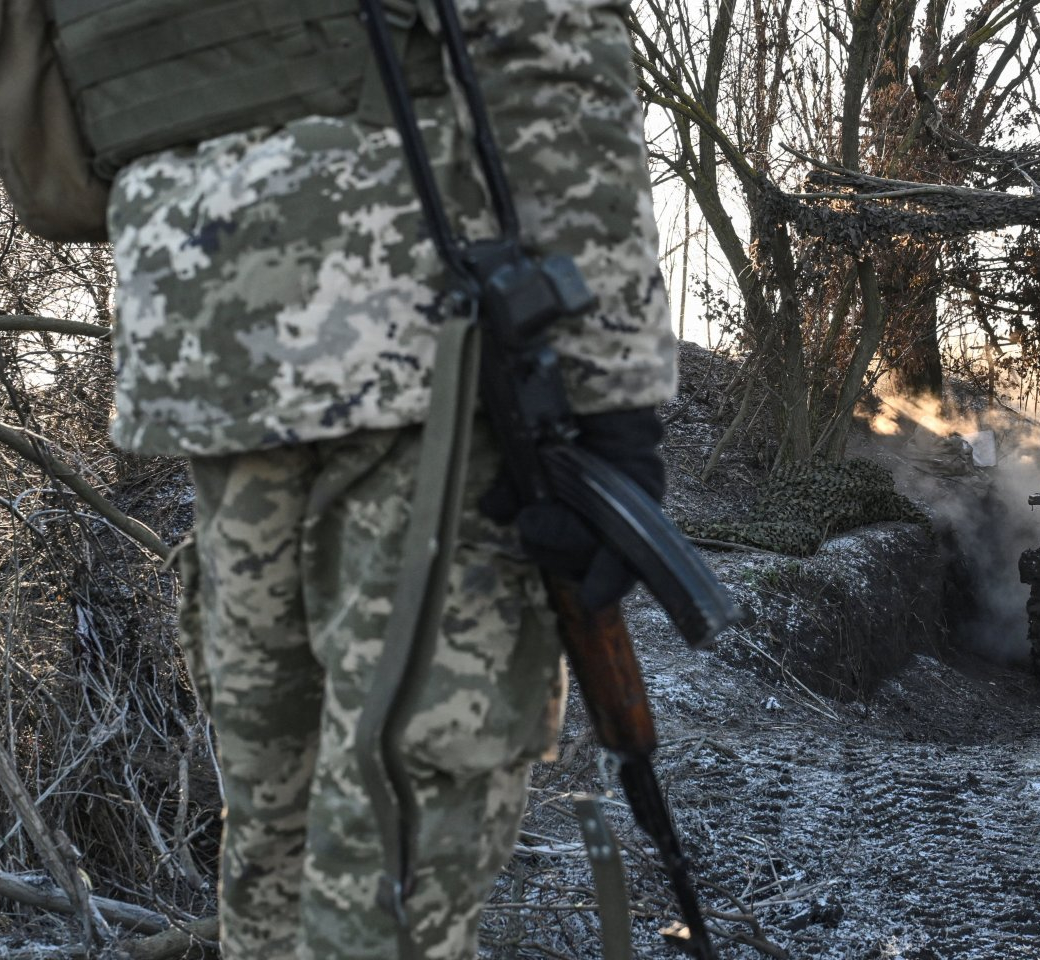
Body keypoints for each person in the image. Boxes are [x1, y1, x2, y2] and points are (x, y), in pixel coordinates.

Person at [100, 2, 676, 957]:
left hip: (204, 337)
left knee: (275, 837)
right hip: (423, 336)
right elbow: (550, 40)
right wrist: (611, 392)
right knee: (403, 841)